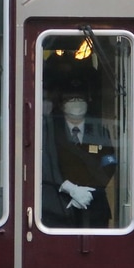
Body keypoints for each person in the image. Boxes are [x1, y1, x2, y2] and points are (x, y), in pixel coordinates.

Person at [42, 75, 117, 228]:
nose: (76, 104)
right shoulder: (48, 130)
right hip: (59, 207)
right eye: (71, 100)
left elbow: (110, 162)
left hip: (95, 206)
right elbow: (44, 164)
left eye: (80, 99)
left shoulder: (99, 130)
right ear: (62, 105)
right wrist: (71, 189)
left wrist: (90, 191)